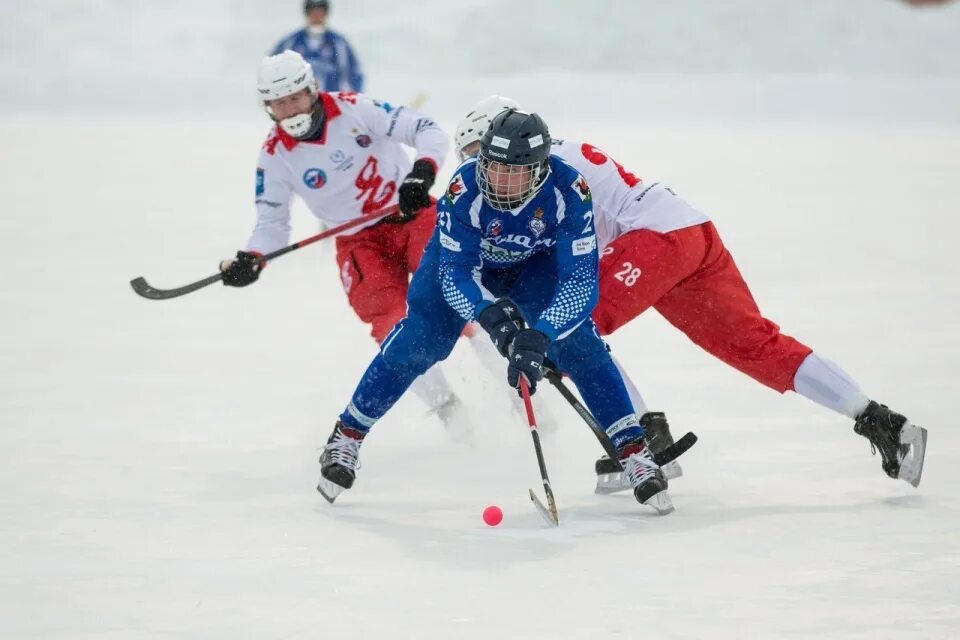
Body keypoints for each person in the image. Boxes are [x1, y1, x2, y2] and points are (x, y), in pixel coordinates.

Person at [453, 95, 928, 492]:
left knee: (574, 329)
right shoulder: (542, 164)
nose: (484, 173)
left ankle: (643, 442)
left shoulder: (548, 171)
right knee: (754, 343)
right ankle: (878, 418)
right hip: (690, 233)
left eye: (478, 155)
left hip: (656, 239)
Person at [316, 109, 676, 515]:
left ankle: (632, 450)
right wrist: (496, 324)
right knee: (422, 339)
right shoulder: (463, 188)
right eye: (492, 166)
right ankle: (347, 435)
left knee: (579, 343)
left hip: (531, 266)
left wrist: (539, 336)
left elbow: (579, 283)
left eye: (514, 172)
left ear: (539, 170)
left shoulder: (571, 190)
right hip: (464, 265)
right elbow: (455, 274)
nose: (498, 181)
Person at [219, 50, 459, 421]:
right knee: (392, 327)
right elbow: (272, 224)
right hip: (359, 243)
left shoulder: (354, 108)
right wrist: (253, 258)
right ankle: (451, 413)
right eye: (279, 104)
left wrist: (421, 172)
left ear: (312, 90)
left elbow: (427, 130)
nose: (291, 110)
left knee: (460, 297)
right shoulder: (274, 156)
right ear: (267, 106)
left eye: (296, 98)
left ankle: (522, 393)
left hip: (412, 213)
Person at [271, 0, 364, 93]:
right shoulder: (291, 43)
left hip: (330, 103)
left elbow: (354, 74)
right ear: (307, 14)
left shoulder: (339, 44)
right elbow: (273, 70)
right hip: (298, 104)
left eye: (320, 13)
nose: (317, 17)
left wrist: (352, 100)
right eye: (313, 13)